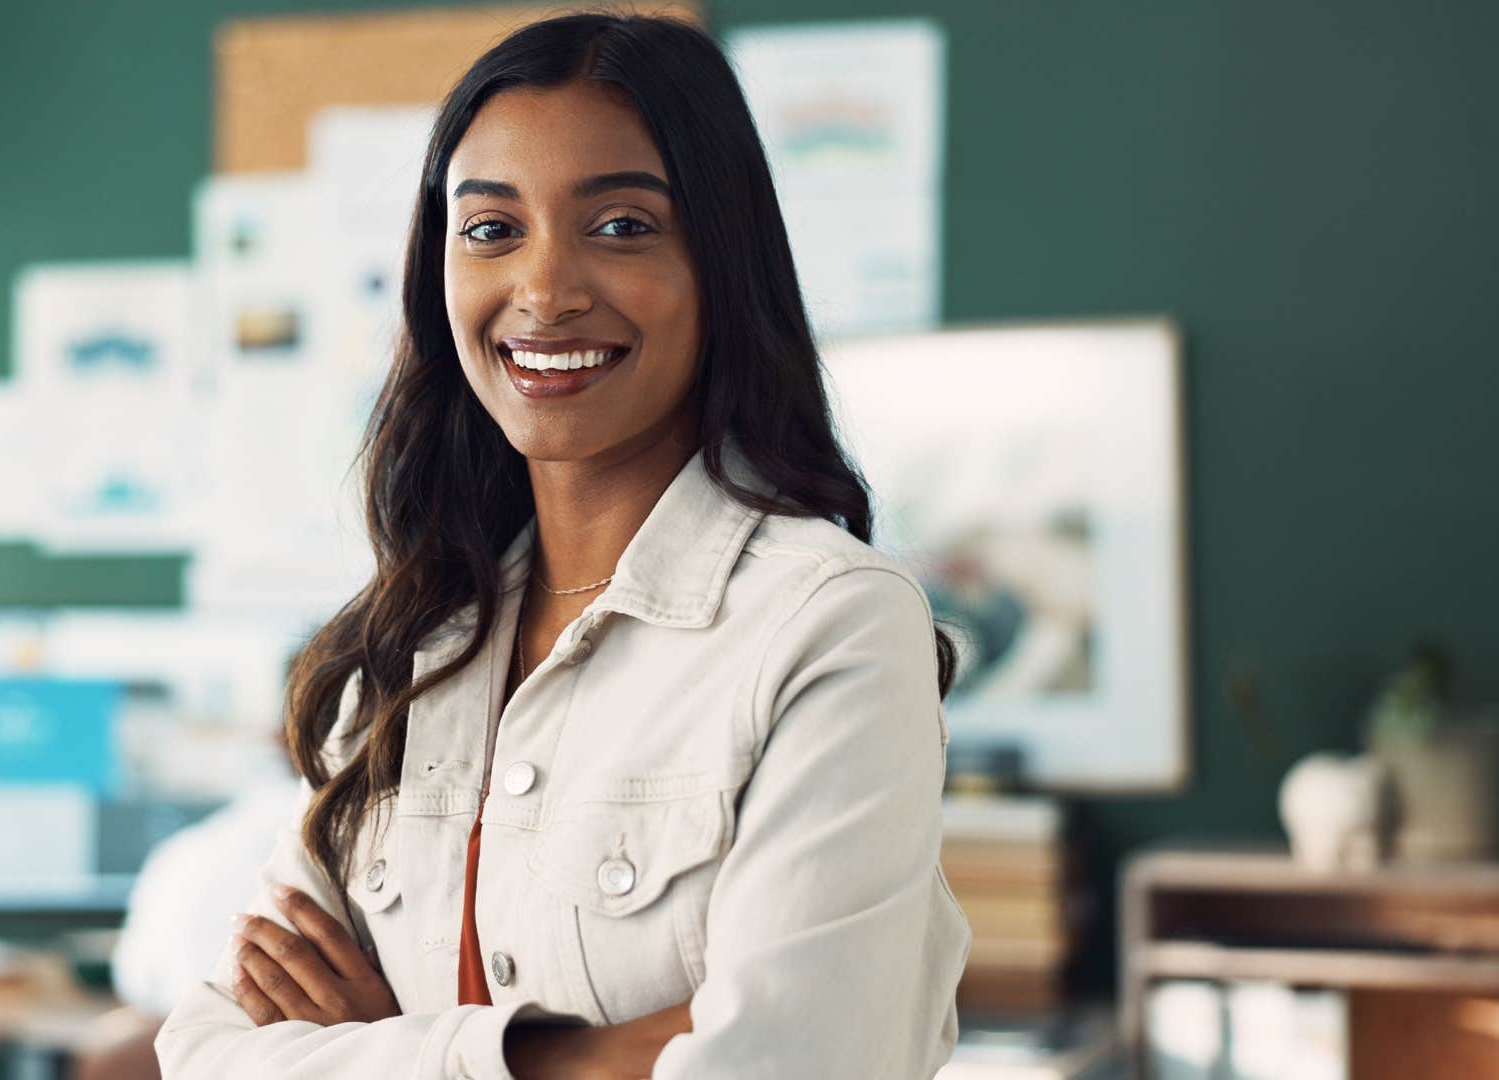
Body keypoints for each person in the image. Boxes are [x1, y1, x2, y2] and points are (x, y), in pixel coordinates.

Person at [157, 11, 971, 1078]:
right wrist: (574, 1058)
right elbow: (207, 1054)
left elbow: (777, 1067)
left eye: (622, 225)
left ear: (720, 260)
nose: (544, 291)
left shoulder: (829, 623)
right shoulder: (408, 644)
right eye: (492, 230)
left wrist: (377, 1048)